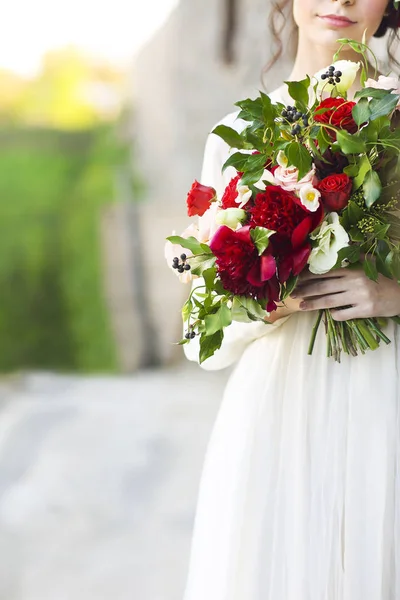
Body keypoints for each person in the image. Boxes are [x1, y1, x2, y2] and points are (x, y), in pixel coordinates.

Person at [182, 1, 400, 599]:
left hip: (386, 399)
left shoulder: (397, 120)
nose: (342, 1)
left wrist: (392, 293)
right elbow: (203, 344)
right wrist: (264, 303)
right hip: (278, 408)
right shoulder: (238, 135)